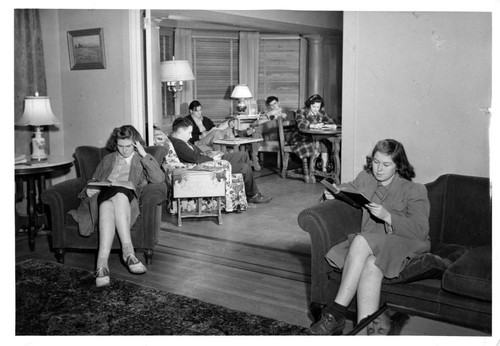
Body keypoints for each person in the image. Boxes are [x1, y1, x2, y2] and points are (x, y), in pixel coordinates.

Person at [308, 139, 430, 335]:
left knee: (360, 239)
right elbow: (347, 188)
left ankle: (336, 312)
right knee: (372, 264)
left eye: (386, 164)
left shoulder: (414, 190)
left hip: (404, 243)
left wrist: (388, 216)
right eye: (375, 162)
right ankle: (363, 331)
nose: (379, 169)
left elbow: (421, 230)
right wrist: (333, 194)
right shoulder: (365, 179)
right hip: (374, 246)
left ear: (398, 166)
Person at [79, 125, 166, 287]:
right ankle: (128, 254)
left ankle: (101, 265)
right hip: (104, 193)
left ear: (136, 144)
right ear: (115, 144)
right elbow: (94, 179)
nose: (124, 150)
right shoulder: (108, 159)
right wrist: (90, 188)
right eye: (120, 146)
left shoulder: (141, 160)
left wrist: (144, 154)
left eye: (128, 146)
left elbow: (158, 179)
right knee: (112, 197)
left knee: (109, 204)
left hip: (126, 199)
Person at [169, 117, 272, 204]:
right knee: (244, 168)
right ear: (181, 131)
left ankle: (249, 192)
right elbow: (195, 158)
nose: (191, 136)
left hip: (208, 160)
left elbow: (196, 153)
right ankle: (254, 195)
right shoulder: (178, 144)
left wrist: (210, 154)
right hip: (208, 167)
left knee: (243, 155)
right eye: (189, 133)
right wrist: (212, 158)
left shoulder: (181, 140)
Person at [242, 96, 289, 171]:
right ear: (269, 106)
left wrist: (277, 117)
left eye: (275, 103)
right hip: (264, 134)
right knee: (256, 134)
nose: (273, 106)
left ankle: (253, 131)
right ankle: (255, 160)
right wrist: (262, 119)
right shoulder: (267, 114)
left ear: (278, 103)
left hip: (275, 135)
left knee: (274, 122)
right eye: (271, 105)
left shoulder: (284, 112)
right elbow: (254, 123)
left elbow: (285, 119)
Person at [292, 94, 336, 172]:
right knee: (322, 143)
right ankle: (313, 170)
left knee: (323, 144)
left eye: (318, 107)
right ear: (309, 105)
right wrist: (313, 125)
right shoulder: (301, 111)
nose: (316, 109)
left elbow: (331, 121)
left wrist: (326, 124)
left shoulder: (321, 112)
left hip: (317, 137)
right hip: (302, 137)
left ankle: (324, 170)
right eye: (314, 107)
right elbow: (301, 125)